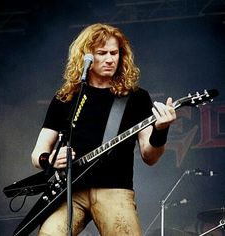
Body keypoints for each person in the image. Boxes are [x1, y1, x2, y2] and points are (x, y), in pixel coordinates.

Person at [31, 23, 176, 236]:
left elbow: (150, 156)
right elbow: (37, 153)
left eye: (114, 53)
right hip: (70, 190)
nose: (110, 59)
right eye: (101, 53)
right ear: (86, 57)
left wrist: (161, 130)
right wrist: (49, 159)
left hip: (114, 190)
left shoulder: (136, 97)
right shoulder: (66, 98)